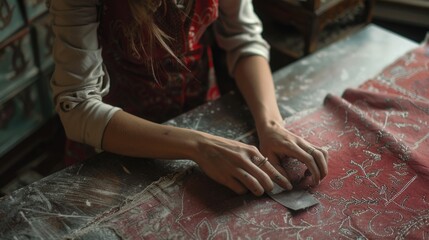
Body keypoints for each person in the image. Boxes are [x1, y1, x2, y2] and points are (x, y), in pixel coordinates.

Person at [48, 0, 328, 196]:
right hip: (116, 137)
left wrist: (271, 125)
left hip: (200, 111)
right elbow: (78, 106)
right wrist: (198, 146)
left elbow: (243, 38)